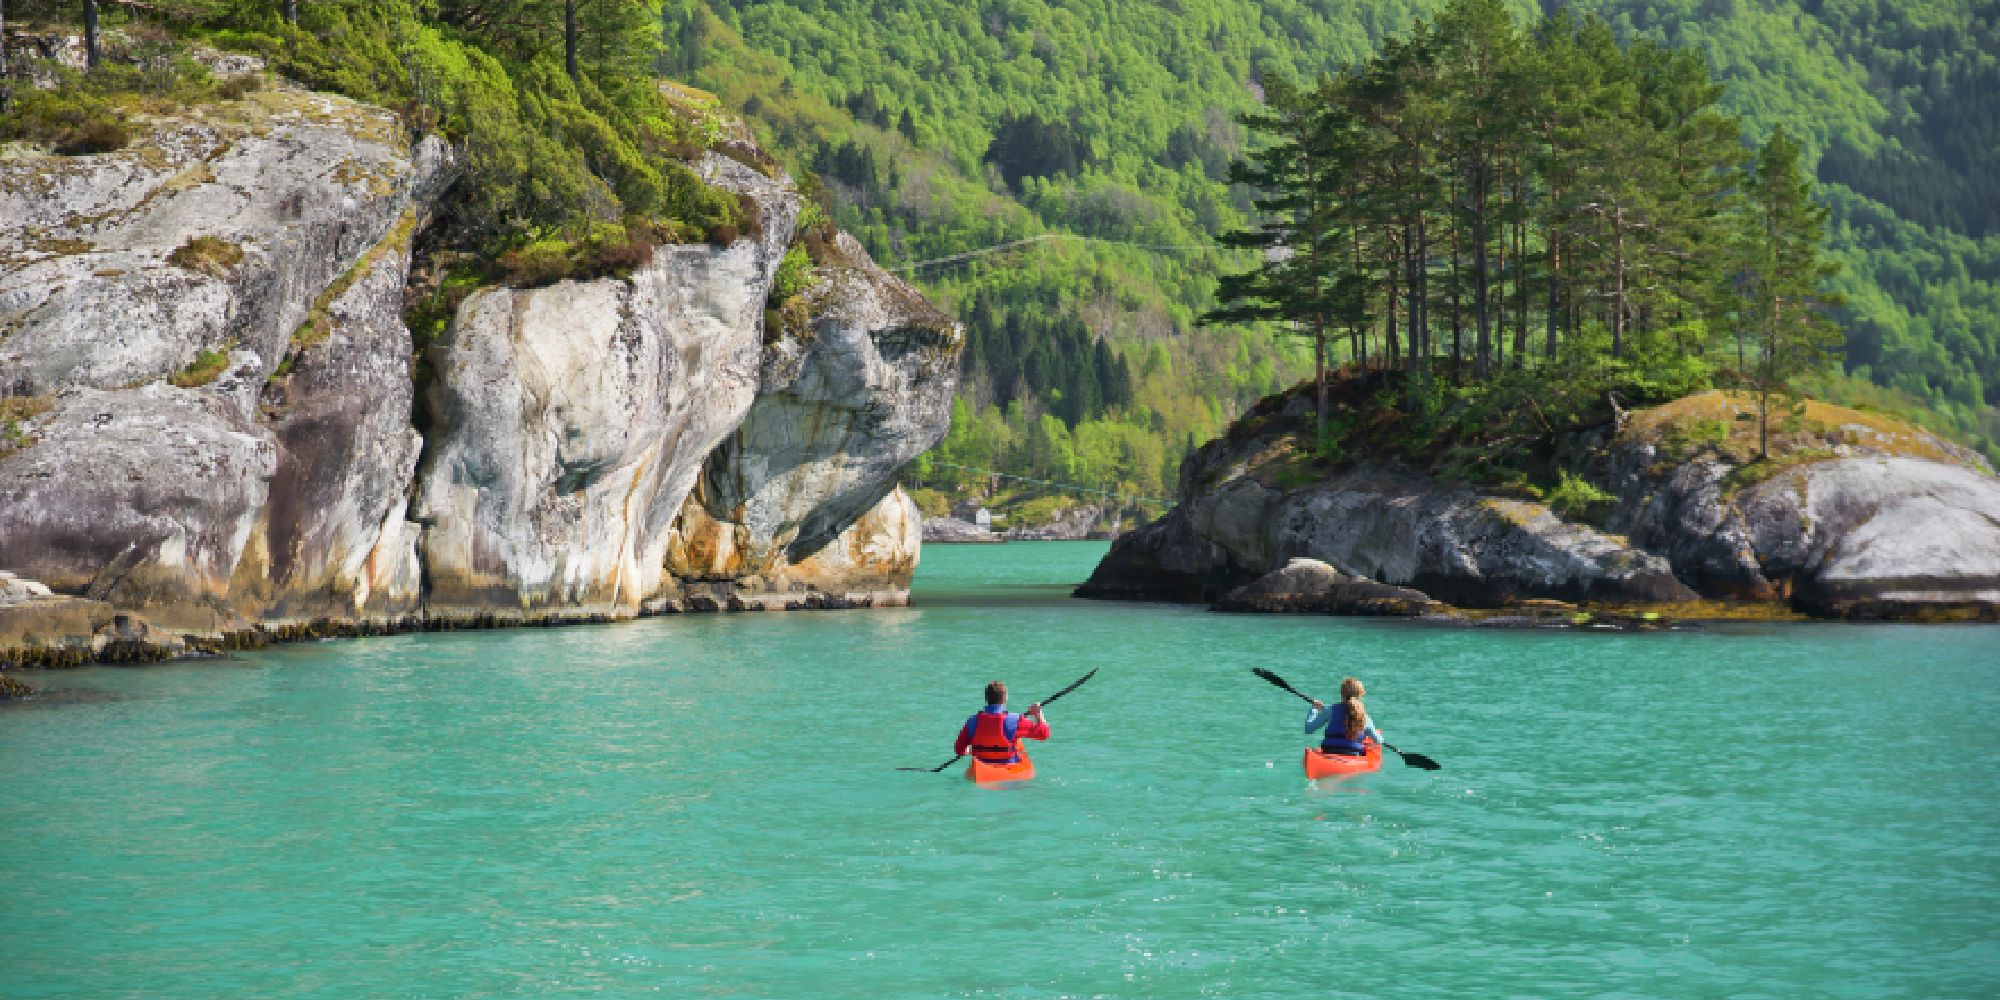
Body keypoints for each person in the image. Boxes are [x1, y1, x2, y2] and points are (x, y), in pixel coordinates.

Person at [954, 680, 1050, 764]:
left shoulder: (972, 721)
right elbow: (1044, 734)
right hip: (1008, 765)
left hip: (981, 765)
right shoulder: (1016, 720)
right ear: (1005, 698)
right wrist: (1038, 713)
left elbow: (959, 749)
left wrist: (970, 750)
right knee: (1018, 743)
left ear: (986, 699)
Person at [1305, 676, 1381, 756]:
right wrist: (1379, 738)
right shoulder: (1364, 717)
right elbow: (1378, 740)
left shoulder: (1331, 710)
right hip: (1353, 754)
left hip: (1329, 750)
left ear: (1342, 694)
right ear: (1359, 696)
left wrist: (1314, 709)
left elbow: (1308, 729)